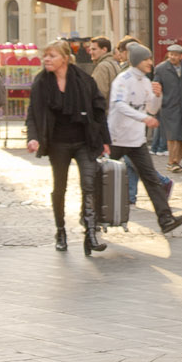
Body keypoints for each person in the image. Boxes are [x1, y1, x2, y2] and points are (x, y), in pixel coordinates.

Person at [25, 40, 111, 253]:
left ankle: (90, 232)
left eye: (52, 55)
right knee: (60, 188)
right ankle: (60, 230)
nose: (46, 59)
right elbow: (33, 114)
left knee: (89, 185)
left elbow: (99, 110)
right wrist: (33, 137)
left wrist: (105, 140)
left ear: (65, 58)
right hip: (58, 142)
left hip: (84, 140)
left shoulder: (83, 80)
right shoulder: (41, 82)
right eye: (45, 55)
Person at [107, 43, 182, 237]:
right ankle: (90, 217)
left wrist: (157, 95)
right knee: (101, 175)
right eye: (146, 59)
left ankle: (166, 219)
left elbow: (152, 109)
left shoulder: (145, 81)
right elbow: (119, 105)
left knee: (151, 179)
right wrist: (143, 118)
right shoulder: (123, 80)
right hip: (117, 138)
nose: (150, 63)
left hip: (136, 140)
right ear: (136, 60)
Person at [154, 43, 182, 171]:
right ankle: (171, 162)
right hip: (169, 107)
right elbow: (156, 87)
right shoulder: (161, 69)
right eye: (171, 54)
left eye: (176, 55)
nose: (173, 57)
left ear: (181, 56)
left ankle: (177, 161)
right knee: (172, 136)